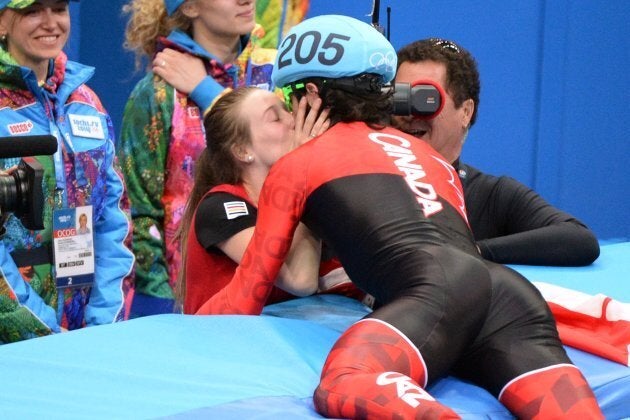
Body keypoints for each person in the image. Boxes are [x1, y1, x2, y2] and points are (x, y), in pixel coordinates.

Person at [195, 15, 604, 419]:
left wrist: (172, 330)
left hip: (436, 298)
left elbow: (245, 297)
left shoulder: (297, 165)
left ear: (312, 95)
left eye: (288, 99)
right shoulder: (431, 156)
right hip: (509, 296)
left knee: (345, 380)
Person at [119, 0, 278, 316]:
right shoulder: (157, 94)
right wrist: (162, 304)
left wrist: (205, 90)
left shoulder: (277, 73)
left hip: (277, 286)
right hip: (191, 303)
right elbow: (137, 209)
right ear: (190, 7)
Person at [393, 38, 600, 266]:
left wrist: (472, 251)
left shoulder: (492, 196)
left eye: (426, 99)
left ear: (466, 112)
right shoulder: (368, 182)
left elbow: (579, 240)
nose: (409, 114)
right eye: (400, 97)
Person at [0, 0, 134, 343]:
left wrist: (104, 321)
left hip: (87, 330)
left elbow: (113, 216)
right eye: (31, 11)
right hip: (17, 336)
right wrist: (40, 329)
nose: (50, 23)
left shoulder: (86, 100)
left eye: (58, 9)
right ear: (2, 24)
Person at [178, 87, 331, 313]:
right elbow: (301, 280)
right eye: (276, 118)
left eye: (288, 110)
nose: (293, 120)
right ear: (242, 150)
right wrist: (304, 169)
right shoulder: (220, 207)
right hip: (221, 345)